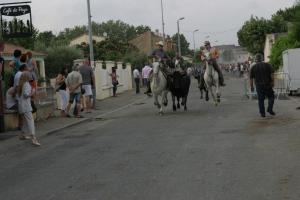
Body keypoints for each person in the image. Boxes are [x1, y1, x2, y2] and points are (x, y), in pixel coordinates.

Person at [17, 72, 41, 146]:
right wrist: (32, 92)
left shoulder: (20, 84)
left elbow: (21, 95)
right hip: (26, 106)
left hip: (21, 105)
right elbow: (26, 95)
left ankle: (22, 135)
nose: (30, 76)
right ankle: (33, 138)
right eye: (29, 75)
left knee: (24, 120)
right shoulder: (26, 84)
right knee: (31, 121)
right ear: (27, 77)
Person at [250, 53, 276, 118]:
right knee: (271, 97)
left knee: (260, 100)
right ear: (262, 59)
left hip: (259, 86)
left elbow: (251, 78)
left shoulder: (253, 67)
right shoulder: (268, 65)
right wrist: (273, 82)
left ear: (256, 59)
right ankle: (270, 109)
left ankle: (262, 113)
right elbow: (272, 74)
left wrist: (252, 87)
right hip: (268, 84)